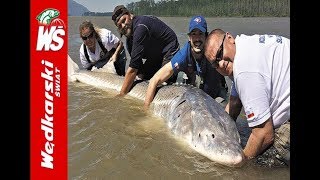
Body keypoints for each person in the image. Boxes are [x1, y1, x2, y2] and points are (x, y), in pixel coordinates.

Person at [204, 28, 290, 165]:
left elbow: (264, 134)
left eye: (220, 54)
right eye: (215, 64)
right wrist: (219, 128)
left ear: (229, 38)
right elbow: (234, 104)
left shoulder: (244, 70)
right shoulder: (245, 44)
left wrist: (240, 164)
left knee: (261, 163)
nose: (220, 64)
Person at [144, 15, 227, 108]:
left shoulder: (214, 51)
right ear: (189, 37)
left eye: (200, 33)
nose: (197, 39)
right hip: (197, 96)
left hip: (216, 96)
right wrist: (146, 111)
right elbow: (154, 80)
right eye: (193, 34)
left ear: (206, 36)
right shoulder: (183, 55)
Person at [111, 5, 180, 96]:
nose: (123, 26)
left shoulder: (141, 27)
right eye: (119, 25)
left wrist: (122, 95)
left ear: (130, 15)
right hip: (156, 55)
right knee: (142, 80)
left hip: (169, 49)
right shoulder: (129, 41)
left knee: (163, 85)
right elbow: (137, 64)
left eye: (124, 20)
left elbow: (132, 69)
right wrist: (140, 76)